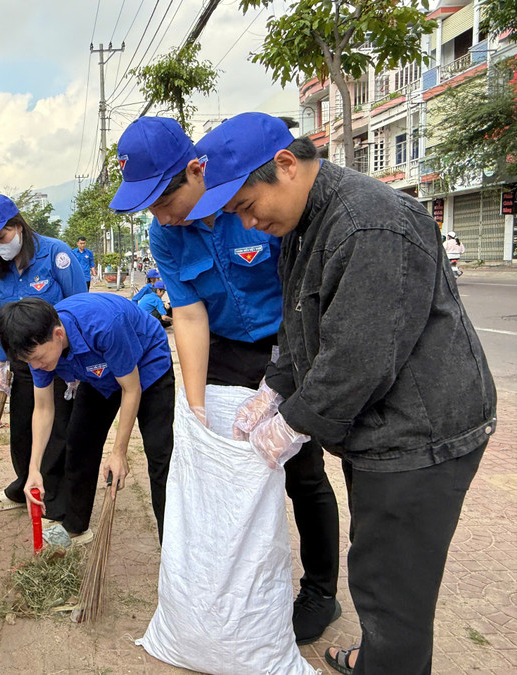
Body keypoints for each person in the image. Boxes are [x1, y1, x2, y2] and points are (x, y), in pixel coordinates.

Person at [200, 112, 496, 675]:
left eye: (244, 206)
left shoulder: (368, 224)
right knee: (377, 557)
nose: (247, 221)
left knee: (390, 586)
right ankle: (380, 654)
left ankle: (389, 660)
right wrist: (275, 385)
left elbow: (358, 358)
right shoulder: (303, 225)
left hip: (421, 433)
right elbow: (298, 322)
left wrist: (294, 421)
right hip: (381, 426)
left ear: (285, 166)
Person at [110, 115, 341, 646]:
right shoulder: (163, 234)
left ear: (196, 171)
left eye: (165, 202)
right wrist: (194, 407)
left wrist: (285, 378)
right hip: (224, 350)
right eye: (150, 209)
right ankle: (226, 581)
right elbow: (190, 316)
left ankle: (320, 592)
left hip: (289, 341)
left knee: (300, 469)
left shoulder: (255, 202)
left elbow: (299, 292)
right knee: (214, 460)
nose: (161, 218)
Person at [0, 294, 174, 545]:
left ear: (58, 334)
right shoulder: (37, 347)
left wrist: (119, 452)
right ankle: (76, 527)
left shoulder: (104, 325)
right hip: (98, 373)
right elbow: (44, 409)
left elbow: (131, 389)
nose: (36, 365)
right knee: (78, 444)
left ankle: (171, 544)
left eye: (38, 358)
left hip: (146, 364)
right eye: (29, 361)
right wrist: (34, 469)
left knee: (158, 453)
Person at [0, 193, 87, 518]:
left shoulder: (56, 254)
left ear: (18, 225)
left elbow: (79, 304)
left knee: (58, 427)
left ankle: (54, 499)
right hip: (23, 361)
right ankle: (26, 483)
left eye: (2, 236)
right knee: (23, 427)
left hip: (61, 362)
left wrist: (77, 363)